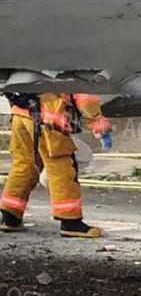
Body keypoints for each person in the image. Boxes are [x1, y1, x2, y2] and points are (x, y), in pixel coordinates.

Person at [1, 93, 112, 237]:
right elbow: (86, 99)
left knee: (25, 164)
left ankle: (10, 216)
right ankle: (70, 222)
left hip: (20, 114)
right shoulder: (75, 70)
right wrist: (101, 129)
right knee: (61, 169)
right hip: (47, 120)